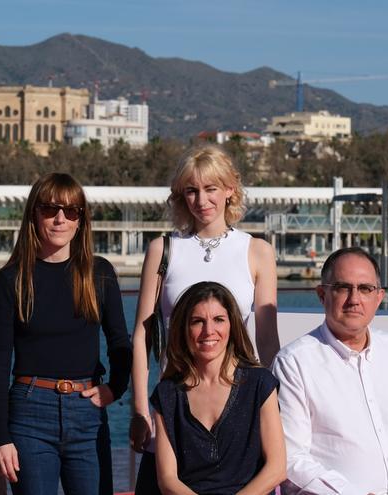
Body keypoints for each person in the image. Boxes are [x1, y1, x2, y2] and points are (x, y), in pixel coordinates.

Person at [130, 144, 279, 491]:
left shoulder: (257, 251)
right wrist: (140, 409)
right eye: (192, 191)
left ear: (230, 190)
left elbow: (267, 340)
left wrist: (274, 403)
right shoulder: (163, 249)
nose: (202, 200)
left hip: (236, 409)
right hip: (174, 407)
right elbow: (142, 335)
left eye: (211, 188)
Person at [271, 247, 388, 495]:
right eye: (342, 287)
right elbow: (291, 457)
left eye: (365, 289)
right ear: (321, 294)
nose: (354, 299)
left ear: (379, 297)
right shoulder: (295, 363)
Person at [0, 173, 132, 495]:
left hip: (88, 411)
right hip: (28, 414)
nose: (60, 218)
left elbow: (120, 342)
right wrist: (1, 438)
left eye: (71, 211)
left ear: (81, 220)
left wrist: (117, 387)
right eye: (50, 209)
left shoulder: (100, 273)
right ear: (34, 215)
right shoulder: (11, 280)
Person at [151, 281, 285, 495]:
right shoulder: (167, 394)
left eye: (218, 320)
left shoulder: (260, 383)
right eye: (197, 321)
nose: (208, 331)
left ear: (232, 325)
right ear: (183, 328)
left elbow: (277, 469)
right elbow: (168, 480)